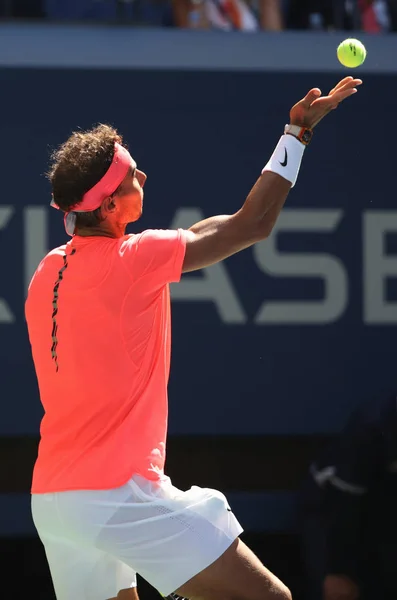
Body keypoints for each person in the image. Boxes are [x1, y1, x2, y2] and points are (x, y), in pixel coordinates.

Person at [25, 75, 361, 600]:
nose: (144, 174)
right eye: (133, 174)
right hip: (118, 494)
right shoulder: (136, 260)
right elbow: (252, 224)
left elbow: (212, 230)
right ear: (111, 205)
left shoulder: (48, 271)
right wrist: (296, 135)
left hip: (53, 500)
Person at [300, 393, 397, 600]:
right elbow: (343, 506)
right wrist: (337, 570)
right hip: (336, 514)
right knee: (339, 589)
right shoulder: (377, 422)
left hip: (385, 514)